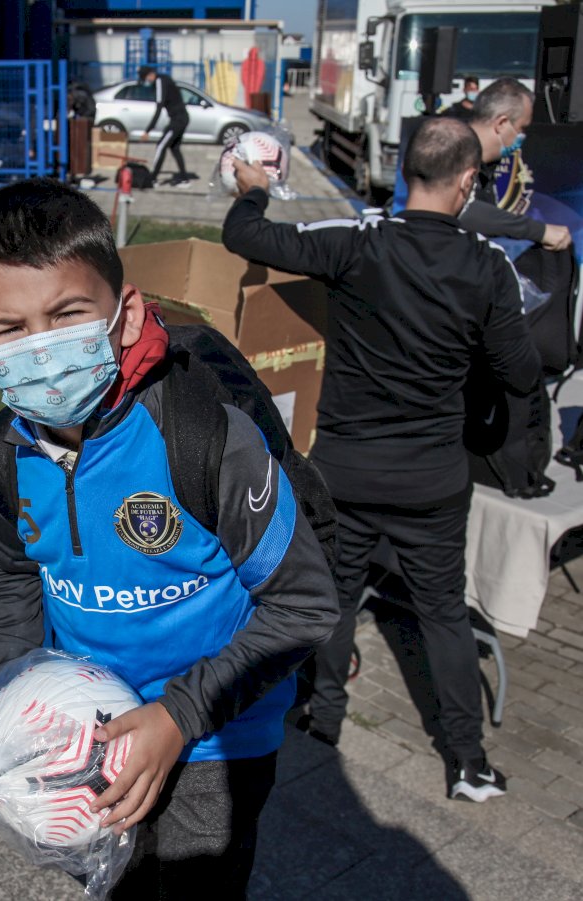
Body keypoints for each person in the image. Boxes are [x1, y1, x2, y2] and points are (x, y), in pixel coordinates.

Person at [0, 178, 338, 898]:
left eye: (68, 315)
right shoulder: (1, 457)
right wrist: (13, 684)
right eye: (10, 329)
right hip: (82, 730)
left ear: (125, 316)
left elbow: (305, 604)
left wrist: (179, 714)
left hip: (216, 738)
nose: (42, 351)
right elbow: (8, 573)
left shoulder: (201, 436)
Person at [222, 117, 542, 802]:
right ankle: (465, 760)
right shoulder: (487, 264)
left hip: (345, 469)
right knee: (443, 612)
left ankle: (323, 717)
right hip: (432, 477)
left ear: (406, 174)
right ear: (466, 182)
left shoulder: (356, 242)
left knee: (336, 594)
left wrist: (253, 188)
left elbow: (244, 237)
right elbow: (520, 373)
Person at [462, 77, 572, 252]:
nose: (523, 136)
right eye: (522, 128)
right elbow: (462, 209)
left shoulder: (485, 165)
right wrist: (539, 231)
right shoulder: (450, 151)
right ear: (502, 123)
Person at [138, 65, 191, 188]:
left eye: (146, 78)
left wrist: (148, 130)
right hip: (181, 118)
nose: (148, 82)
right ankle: (184, 179)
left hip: (178, 120)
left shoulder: (160, 81)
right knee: (174, 148)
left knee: (161, 146)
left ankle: (152, 179)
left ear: (150, 75)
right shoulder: (165, 78)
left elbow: (159, 106)